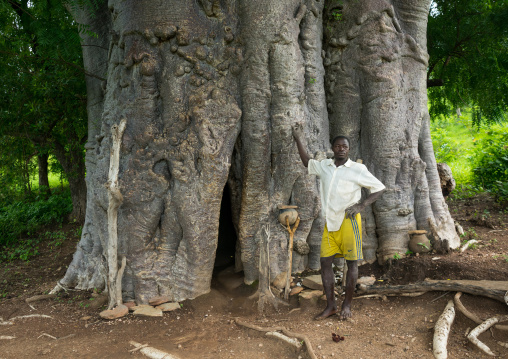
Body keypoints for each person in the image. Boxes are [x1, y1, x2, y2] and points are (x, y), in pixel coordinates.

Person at [292, 124, 385, 320]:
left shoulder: (357, 169)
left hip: (349, 222)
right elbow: (307, 161)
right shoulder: (325, 166)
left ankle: (347, 306)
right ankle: (331, 306)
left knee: (351, 263)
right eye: (338, 146)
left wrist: (361, 205)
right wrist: (298, 138)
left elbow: (378, 188)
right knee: (325, 262)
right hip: (330, 222)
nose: (341, 148)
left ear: (348, 149)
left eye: (344, 146)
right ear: (333, 148)